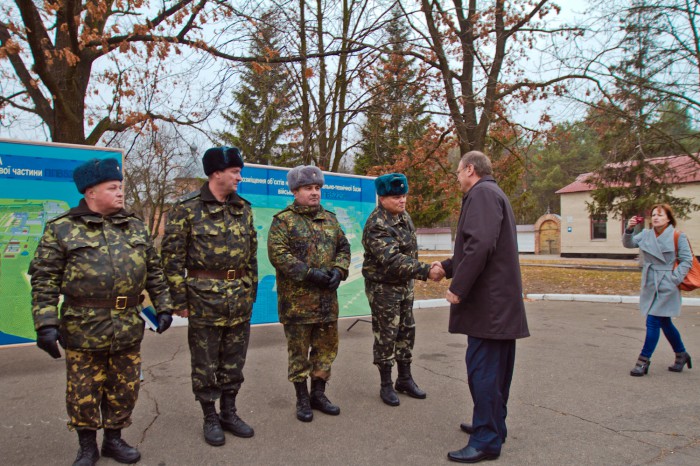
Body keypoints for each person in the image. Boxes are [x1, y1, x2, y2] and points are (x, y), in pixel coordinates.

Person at [29, 157, 174, 466]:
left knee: (124, 387)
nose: (120, 192)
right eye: (113, 187)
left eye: (121, 187)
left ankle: (114, 440)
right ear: (90, 192)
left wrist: (164, 307)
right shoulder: (63, 229)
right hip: (83, 327)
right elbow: (45, 278)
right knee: (83, 391)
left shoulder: (133, 226)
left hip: (127, 326)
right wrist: (45, 323)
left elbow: (154, 271)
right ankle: (87, 446)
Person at [161, 146, 258, 446]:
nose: (239, 178)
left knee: (234, 361)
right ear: (217, 173)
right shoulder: (186, 208)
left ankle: (229, 412)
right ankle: (210, 416)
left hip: (238, 298)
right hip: (203, 299)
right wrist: (179, 300)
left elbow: (251, 254)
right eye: (235, 172)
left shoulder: (244, 208)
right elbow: (172, 258)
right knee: (205, 363)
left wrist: (250, 290)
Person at [439, 151, 530, 464]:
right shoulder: (493, 193)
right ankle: (491, 425)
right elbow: (475, 247)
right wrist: (447, 266)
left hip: (489, 308)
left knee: (484, 372)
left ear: (469, 169)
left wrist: (457, 287)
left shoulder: (481, 194)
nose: (456, 177)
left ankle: (486, 440)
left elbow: (480, 246)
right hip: (498, 307)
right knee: (495, 372)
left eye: (457, 172)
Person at [267, 165, 351, 422]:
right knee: (299, 353)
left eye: (317, 188)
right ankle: (302, 399)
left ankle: (318, 394)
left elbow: (344, 248)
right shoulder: (284, 221)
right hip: (298, 304)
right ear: (294, 191)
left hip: (327, 302)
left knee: (326, 351)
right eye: (308, 188)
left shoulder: (331, 219)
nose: (314, 193)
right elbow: (278, 255)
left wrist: (339, 270)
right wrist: (309, 273)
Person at [361, 173, 445, 407]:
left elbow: (409, 252)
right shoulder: (376, 224)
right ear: (382, 197)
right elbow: (393, 260)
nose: (402, 200)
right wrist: (427, 270)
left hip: (404, 286)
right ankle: (386, 384)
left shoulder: (404, 217)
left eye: (404, 195)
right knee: (386, 333)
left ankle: (405, 378)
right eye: (397, 196)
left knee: (406, 330)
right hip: (384, 288)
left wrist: (419, 272)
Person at [623, 204, 693, 376]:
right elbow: (629, 244)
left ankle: (643, 361)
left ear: (668, 218)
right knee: (664, 322)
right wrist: (630, 229)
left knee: (653, 320)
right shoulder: (646, 234)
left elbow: (686, 260)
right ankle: (681, 354)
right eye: (653, 214)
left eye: (660, 215)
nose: (655, 217)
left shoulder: (678, 236)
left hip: (667, 283)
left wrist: (674, 279)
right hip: (650, 282)